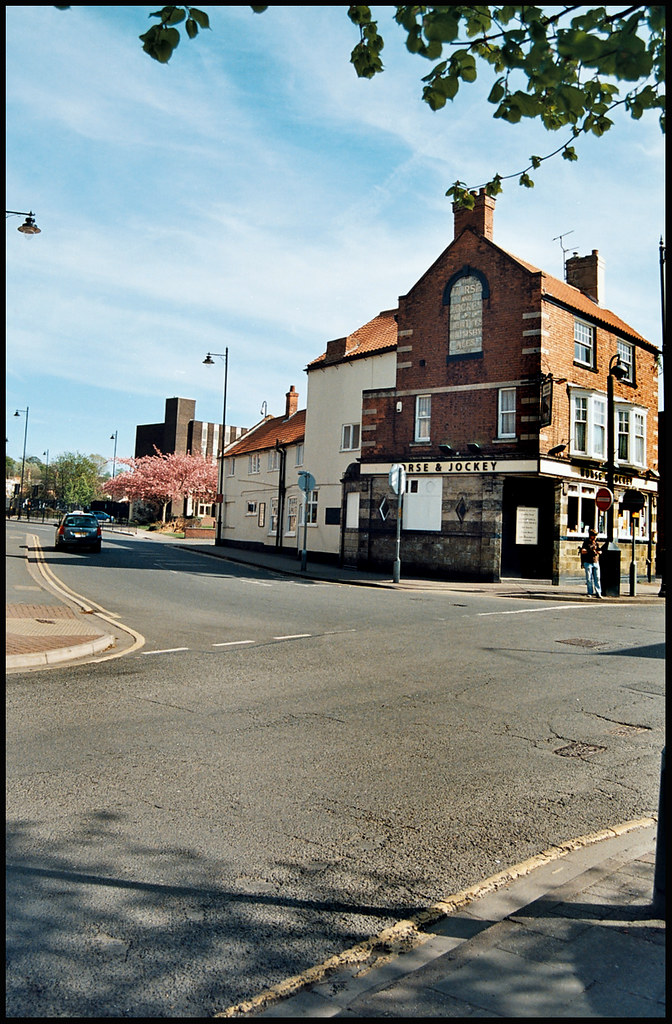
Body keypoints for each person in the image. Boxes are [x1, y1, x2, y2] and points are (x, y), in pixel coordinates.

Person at [580, 528, 603, 598]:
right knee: (589, 579)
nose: (595, 537)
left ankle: (598, 592)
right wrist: (590, 550)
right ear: (590, 535)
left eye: (595, 536)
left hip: (595, 562)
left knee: (597, 578)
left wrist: (598, 552)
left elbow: (600, 551)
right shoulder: (586, 542)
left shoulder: (596, 543)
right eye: (594, 535)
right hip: (588, 562)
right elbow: (583, 551)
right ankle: (590, 592)